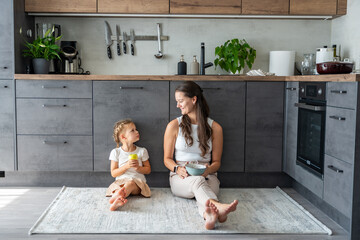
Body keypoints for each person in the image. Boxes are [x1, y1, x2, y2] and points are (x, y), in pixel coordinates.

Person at [164, 81, 238, 230]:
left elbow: (216, 162)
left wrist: (208, 170)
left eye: (180, 101)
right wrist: (177, 169)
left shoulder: (215, 128)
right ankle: (219, 207)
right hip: (181, 178)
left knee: (202, 191)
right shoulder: (173, 126)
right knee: (197, 182)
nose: (178, 105)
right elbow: (166, 159)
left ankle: (209, 215)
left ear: (193, 99)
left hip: (209, 176)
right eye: (176, 102)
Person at [106, 119, 151, 211]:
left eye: (136, 129)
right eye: (132, 130)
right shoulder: (116, 152)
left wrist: (138, 168)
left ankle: (118, 196)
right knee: (119, 187)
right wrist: (126, 166)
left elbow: (148, 170)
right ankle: (117, 199)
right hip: (121, 181)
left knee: (130, 184)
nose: (137, 131)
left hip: (137, 183)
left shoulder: (142, 151)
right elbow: (114, 173)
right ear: (123, 137)